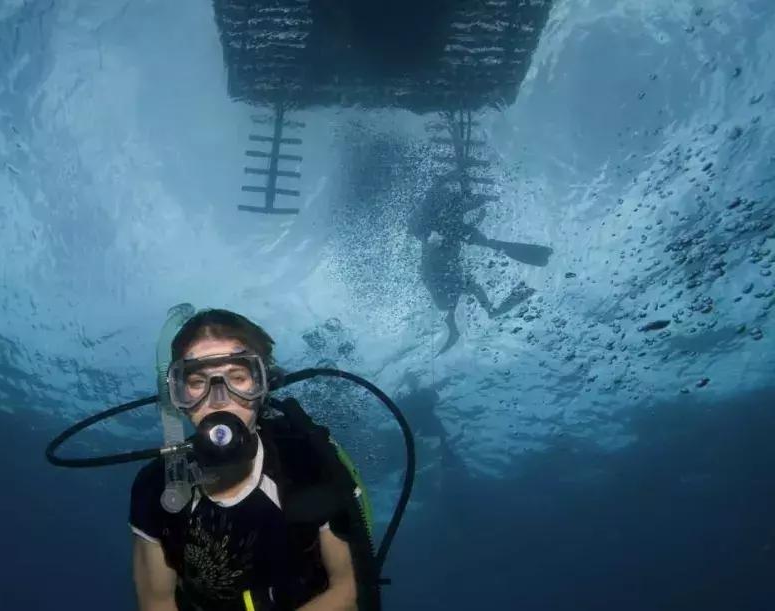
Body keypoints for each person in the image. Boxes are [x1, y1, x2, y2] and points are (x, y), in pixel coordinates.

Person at [129, 309, 359, 611]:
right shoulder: (157, 485)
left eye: (237, 377)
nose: (219, 398)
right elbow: (156, 602)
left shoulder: (310, 461)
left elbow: (350, 590)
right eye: (198, 381)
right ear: (178, 398)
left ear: (262, 389)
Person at [410, 173, 551, 354]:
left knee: (467, 282)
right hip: (441, 272)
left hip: (440, 273)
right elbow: (429, 227)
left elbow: (455, 226)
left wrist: (479, 211)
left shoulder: (441, 219)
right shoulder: (438, 220)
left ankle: (473, 317)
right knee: (470, 283)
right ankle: (484, 313)